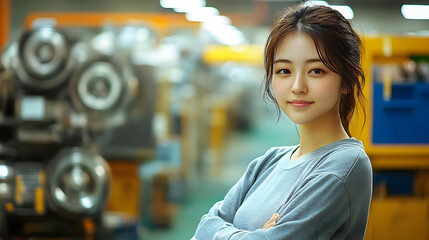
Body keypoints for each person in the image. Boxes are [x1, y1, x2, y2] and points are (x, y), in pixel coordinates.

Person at [192, 3, 372, 240]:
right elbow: (202, 227)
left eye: (316, 71)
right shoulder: (267, 163)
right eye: (284, 71)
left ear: (348, 81)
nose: (297, 87)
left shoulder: (344, 167)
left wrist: (228, 231)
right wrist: (250, 235)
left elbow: (212, 230)